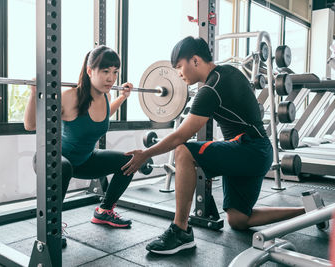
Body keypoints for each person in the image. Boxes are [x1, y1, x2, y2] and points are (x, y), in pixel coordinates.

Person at [122, 36, 306, 255]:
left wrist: (146, 153)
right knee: (238, 219)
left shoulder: (210, 89)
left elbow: (181, 135)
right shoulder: (229, 73)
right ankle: (307, 211)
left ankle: (180, 231)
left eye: (180, 67)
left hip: (249, 150)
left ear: (196, 60)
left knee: (183, 151)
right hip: (257, 151)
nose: (179, 74)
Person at [24, 45, 134, 232]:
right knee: (64, 166)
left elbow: (102, 117)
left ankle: (104, 211)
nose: (111, 78)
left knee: (130, 161)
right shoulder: (70, 97)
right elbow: (30, 125)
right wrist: (34, 94)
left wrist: (122, 98)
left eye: (115, 72)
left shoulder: (105, 96)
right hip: (52, 159)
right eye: (105, 71)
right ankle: (51, 225)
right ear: (90, 71)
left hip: (84, 161)